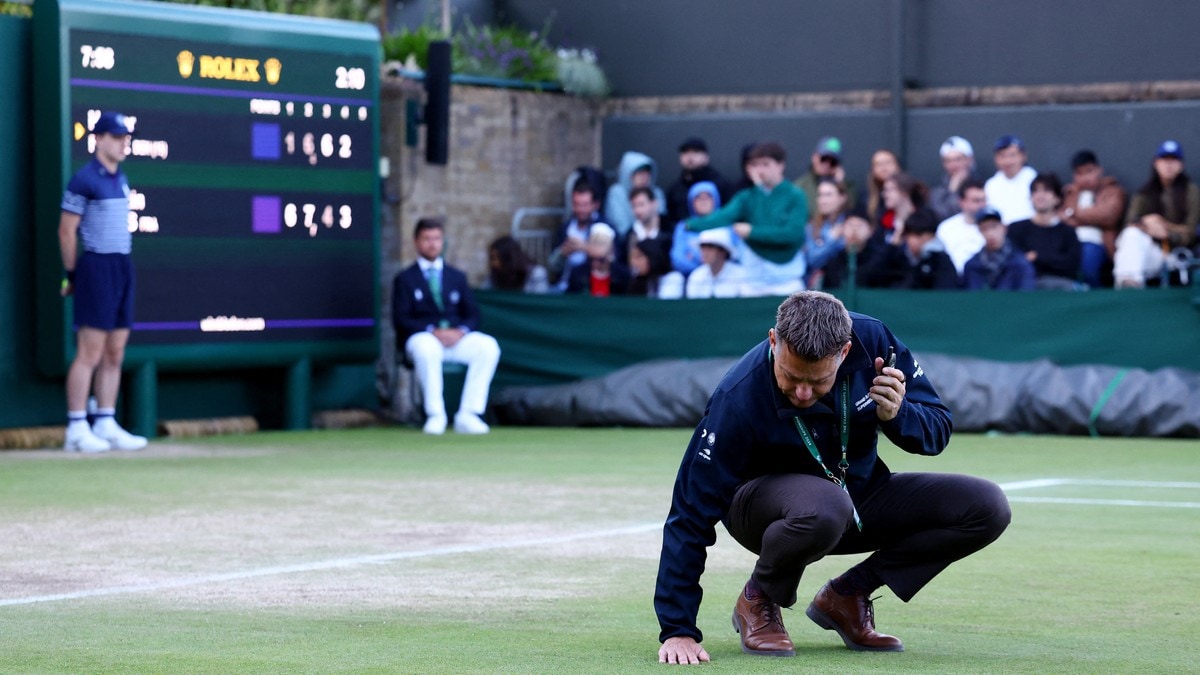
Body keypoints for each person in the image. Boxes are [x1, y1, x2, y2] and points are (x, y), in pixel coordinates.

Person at [655, 291, 1011, 664]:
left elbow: (938, 429)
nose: (803, 393)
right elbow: (689, 514)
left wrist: (899, 414)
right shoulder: (737, 396)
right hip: (762, 513)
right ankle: (759, 598)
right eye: (791, 377)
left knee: (985, 506)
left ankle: (848, 594)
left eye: (818, 380)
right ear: (774, 341)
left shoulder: (875, 343)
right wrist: (678, 629)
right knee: (826, 505)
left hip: (855, 499)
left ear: (843, 352)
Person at [58, 110, 147, 453]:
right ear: (99, 139)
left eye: (126, 137)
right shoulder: (83, 180)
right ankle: (77, 426)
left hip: (122, 266)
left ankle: (106, 421)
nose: (124, 143)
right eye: (117, 137)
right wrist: (71, 275)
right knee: (89, 352)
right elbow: (66, 230)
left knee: (115, 350)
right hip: (95, 268)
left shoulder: (121, 177)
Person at [392, 218, 500, 435]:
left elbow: (473, 315)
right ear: (416, 242)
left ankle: (469, 414)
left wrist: (460, 332)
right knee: (426, 347)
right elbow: (400, 319)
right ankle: (435, 414)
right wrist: (433, 331)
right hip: (423, 337)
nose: (432, 244)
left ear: (443, 242)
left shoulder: (457, 277)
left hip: (455, 339)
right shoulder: (405, 279)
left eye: (437, 239)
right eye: (427, 239)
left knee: (488, 347)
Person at [687, 141, 808, 296]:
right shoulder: (746, 197)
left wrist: (751, 232)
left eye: (766, 164)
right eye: (756, 164)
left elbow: (793, 234)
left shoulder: (796, 195)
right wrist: (690, 225)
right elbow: (723, 217)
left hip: (788, 280)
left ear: (781, 165)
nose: (760, 170)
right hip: (753, 282)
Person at [1112, 140, 1200, 288]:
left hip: (1177, 256)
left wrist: (1166, 231)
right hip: (1150, 253)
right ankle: (1129, 288)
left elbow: (1191, 232)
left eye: (1173, 160)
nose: (1169, 165)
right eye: (1165, 160)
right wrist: (1148, 223)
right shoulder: (1145, 192)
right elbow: (1130, 224)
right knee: (1131, 235)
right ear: (1156, 162)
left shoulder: (1191, 191)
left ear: (1181, 165)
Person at [1061, 150, 1126, 288]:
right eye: (1080, 173)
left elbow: (1108, 217)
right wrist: (1091, 216)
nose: (1085, 177)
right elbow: (1060, 218)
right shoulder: (1069, 193)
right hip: (1069, 243)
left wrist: (1073, 213)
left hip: (1098, 243)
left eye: (1089, 171)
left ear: (1099, 170)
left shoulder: (1113, 190)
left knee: (1087, 268)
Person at [1007, 173, 1082, 290]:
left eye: (1046, 191)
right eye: (1035, 191)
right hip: (1025, 287)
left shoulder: (1067, 232)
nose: (1040, 196)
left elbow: (1070, 265)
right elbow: (1014, 262)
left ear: (1057, 198)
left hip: (1060, 287)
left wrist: (1037, 257)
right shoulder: (1016, 229)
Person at [821, 211, 906, 290]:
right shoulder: (835, 262)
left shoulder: (883, 258)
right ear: (842, 229)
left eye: (859, 225)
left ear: (870, 230)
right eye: (850, 225)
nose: (854, 230)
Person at [962, 208, 1037, 290]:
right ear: (980, 231)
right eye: (984, 228)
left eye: (994, 227)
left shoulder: (1020, 264)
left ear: (1004, 228)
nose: (990, 233)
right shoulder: (972, 265)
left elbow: (1026, 296)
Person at [547, 180, 603, 291]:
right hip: (562, 286)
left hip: (588, 288)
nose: (580, 209)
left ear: (595, 205)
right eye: (577, 204)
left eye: (585, 205)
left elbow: (611, 260)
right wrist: (563, 252)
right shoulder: (564, 228)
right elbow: (552, 266)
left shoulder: (604, 227)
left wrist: (584, 247)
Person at [665, 137, 733, 226]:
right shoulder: (675, 189)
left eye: (695, 152)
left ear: (706, 157)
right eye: (685, 152)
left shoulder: (721, 184)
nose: (690, 157)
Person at [604, 150, 666, 239]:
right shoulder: (617, 193)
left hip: (655, 242)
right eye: (640, 173)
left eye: (647, 173)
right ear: (628, 174)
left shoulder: (657, 193)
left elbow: (661, 222)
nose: (644, 177)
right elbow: (621, 226)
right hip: (626, 242)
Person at [670, 181, 726, 277]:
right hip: (690, 278)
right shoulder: (684, 226)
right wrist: (703, 269)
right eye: (698, 197)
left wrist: (693, 257)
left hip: (724, 276)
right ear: (691, 202)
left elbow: (734, 254)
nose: (703, 201)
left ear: (716, 199)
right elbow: (677, 258)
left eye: (708, 196)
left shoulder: (726, 223)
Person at [894, 210, 960, 290]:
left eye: (918, 235)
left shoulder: (942, 262)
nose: (913, 240)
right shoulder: (899, 257)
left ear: (931, 236)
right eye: (910, 235)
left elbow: (946, 292)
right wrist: (892, 245)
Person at [935, 179, 988, 274]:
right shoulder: (946, 228)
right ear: (962, 202)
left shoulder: (994, 228)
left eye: (983, 200)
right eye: (976, 201)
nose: (981, 205)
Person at [804, 178, 849, 289]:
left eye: (828, 195)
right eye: (820, 195)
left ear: (842, 198)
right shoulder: (811, 227)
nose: (822, 200)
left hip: (845, 284)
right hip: (819, 290)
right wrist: (832, 240)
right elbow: (813, 260)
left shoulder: (851, 223)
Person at [794, 136, 858, 210]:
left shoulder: (848, 187)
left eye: (832, 162)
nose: (827, 165)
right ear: (814, 157)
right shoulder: (800, 187)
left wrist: (840, 185)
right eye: (823, 159)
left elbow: (849, 208)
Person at [566, 223, 632, 296]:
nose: (596, 263)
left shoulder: (622, 275)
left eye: (601, 260)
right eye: (593, 259)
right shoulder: (577, 274)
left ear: (611, 251)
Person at [984, 134, 1037, 224]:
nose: (1007, 161)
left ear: (1023, 156)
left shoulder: (1035, 180)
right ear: (996, 159)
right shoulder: (991, 185)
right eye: (1002, 156)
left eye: (1012, 155)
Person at [685, 228, 746, 299]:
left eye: (710, 247)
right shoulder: (696, 276)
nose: (705, 252)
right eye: (702, 247)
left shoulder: (741, 275)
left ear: (723, 251)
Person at [878, 172, 935, 246]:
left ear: (905, 192)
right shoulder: (884, 221)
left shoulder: (925, 219)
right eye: (885, 190)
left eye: (890, 190)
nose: (885, 195)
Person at [928, 136, 978, 221]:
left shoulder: (984, 186)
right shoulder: (937, 193)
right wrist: (953, 191)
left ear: (969, 159)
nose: (953, 165)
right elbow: (942, 217)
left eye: (958, 159)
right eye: (948, 161)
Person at [622, 186, 672, 265]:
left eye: (641, 205)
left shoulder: (669, 229)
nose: (637, 211)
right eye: (634, 206)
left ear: (654, 204)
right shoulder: (629, 235)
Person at [861, 149, 901, 226]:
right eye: (878, 164)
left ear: (897, 166)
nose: (883, 168)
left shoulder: (909, 190)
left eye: (888, 162)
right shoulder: (866, 195)